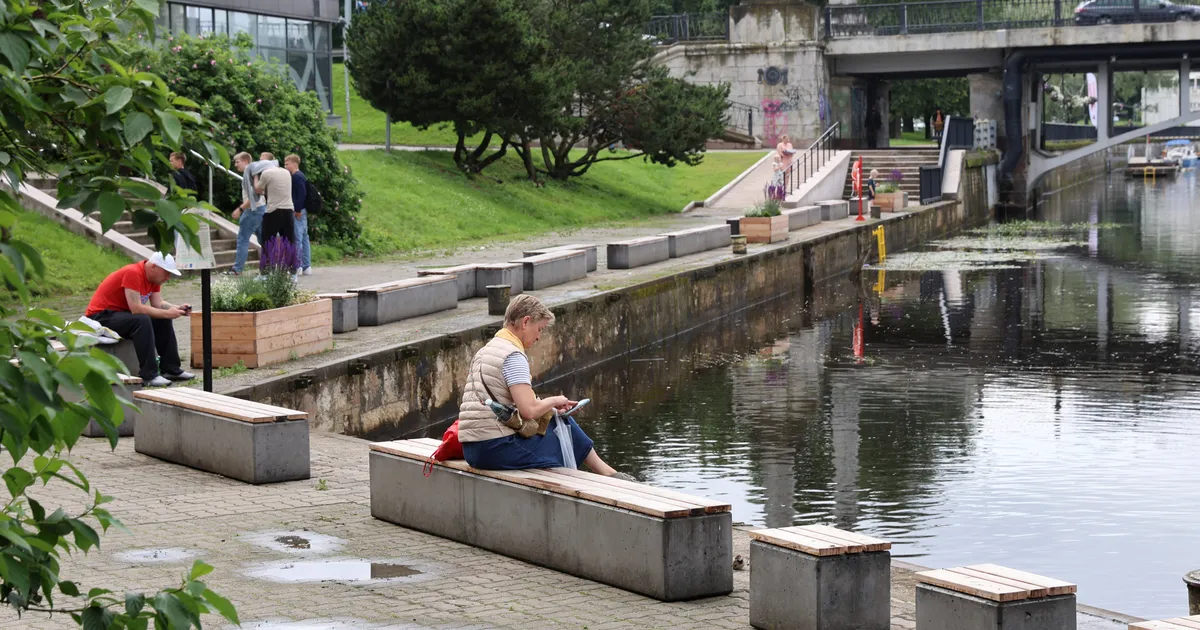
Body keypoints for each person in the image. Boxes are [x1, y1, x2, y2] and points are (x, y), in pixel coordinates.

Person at [457, 294, 634, 480]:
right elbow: (529, 411)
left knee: (556, 420)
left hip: (472, 449)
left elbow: (513, 403)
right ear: (525, 322)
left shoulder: (487, 350)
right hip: (494, 449)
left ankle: (609, 473)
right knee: (563, 431)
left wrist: (551, 408)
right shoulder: (513, 356)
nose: (539, 337)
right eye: (539, 329)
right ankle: (610, 476)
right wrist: (556, 400)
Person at [85, 252, 194, 388]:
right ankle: (149, 375)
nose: (168, 277)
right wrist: (168, 313)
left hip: (121, 315)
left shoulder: (154, 279)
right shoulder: (133, 273)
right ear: (153, 266)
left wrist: (176, 308)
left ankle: (171, 369)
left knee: (162, 317)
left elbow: (158, 304)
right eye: (166, 273)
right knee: (142, 320)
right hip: (101, 317)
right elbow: (136, 308)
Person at [227, 152, 276, 276]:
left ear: (245, 161)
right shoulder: (253, 172)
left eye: (238, 162)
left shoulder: (249, 173)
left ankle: (237, 269)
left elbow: (254, 196)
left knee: (243, 239)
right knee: (263, 239)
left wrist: (240, 209)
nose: (236, 165)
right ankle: (270, 267)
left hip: (253, 210)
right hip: (261, 209)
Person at [255, 163, 296, 248]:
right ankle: (290, 261)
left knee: (268, 242)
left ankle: (269, 260)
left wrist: (255, 176)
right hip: (288, 209)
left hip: (273, 210)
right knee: (289, 242)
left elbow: (258, 190)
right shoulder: (286, 172)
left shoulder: (266, 173)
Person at [284, 154, 312, 276]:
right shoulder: (299, 176)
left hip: (298, 210)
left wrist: (298, 209)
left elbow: (301, 194)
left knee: (298, 237)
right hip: (301, 209)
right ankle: (306, 265)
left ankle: (298, 265)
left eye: (287, 164)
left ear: (294, 164)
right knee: (304, 237)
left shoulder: (297, 176)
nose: (285, 166)